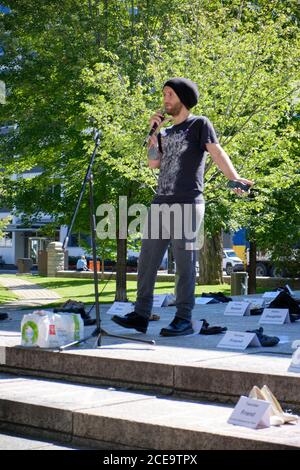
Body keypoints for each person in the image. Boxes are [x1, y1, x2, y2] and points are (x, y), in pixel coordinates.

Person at [112, 77, 253, 337]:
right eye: (164, 94)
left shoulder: (199, 124)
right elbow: (154, 164)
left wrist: (233, 178)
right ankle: (141, 315)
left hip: (188, 203)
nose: (165, 99)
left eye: (170, 94)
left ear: (183, 98)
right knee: (146, 260)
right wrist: (153, 133)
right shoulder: (164, 132)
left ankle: (183, 319)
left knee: (185, 264)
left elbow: (217, 152)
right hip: (161, 202)